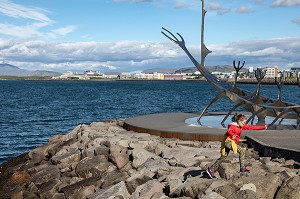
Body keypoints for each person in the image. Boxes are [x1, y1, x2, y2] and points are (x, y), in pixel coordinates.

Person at [206, 113, 267, 179]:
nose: (244, 124)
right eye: (243, 123)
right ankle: (242, 168)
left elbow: (251, 127)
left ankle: (211, 170)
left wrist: (263, 127)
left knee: (223, 157)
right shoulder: (233, 126)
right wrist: (232, 135)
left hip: (232, 142)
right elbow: (229, 131)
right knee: (242, 151)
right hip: (228, 142)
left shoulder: (241, 126)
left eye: (245, 123)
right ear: (239, 121)